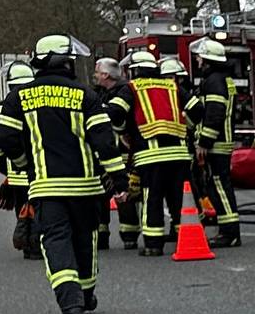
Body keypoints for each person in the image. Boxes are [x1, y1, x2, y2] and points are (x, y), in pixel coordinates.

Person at [0, 35, 124, 314]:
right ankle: (86, 294)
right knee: (84, 239)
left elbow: (5, 138)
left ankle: (71, 304)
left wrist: (25, 165)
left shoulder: (18, 98)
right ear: (64, 61)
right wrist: (119, 179)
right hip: (85, 187)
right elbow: (104, 141)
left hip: (46, 187)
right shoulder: (86, 95)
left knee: (55, 242)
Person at [122, 51, 196, 255]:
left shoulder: (132, 88)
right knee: (178, 198)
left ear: (136, 70)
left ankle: (153, 245)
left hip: (150, 155)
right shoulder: (173, 87)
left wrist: (124, 131)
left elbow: (116, 112)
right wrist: (185, 126)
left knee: (152, 198)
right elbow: (198, 109)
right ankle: (185, 237)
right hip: (179, 154)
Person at [185, 37, 243, 247]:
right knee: (216, 186)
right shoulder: (222, 79)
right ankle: (227, 230)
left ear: (208, 59)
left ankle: (229, 233)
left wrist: (204, 142)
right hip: (220, 141)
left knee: (219, 185)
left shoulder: (214, 81)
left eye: (200, 57)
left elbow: (215, 113)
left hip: (217, 143)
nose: (198, 60)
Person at [0, 60, 38, 258]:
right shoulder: (41, 104)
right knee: (42, 205)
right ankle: (39, 243)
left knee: (22, 206)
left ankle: (27, 245)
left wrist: (2, 164)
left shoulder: (0, 109)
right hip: (43, 168)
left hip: (16, 171)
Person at [89, 56, 141, 251]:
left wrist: (97, 109)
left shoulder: (124, 91)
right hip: (104, 151)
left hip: (123, 152)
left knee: (124, 192)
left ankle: (129, 235)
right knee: (100, 194)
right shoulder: (101, 93)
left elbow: (115, 114)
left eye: (97, 72)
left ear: (105, 75)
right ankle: (101, 236)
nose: (95, 76)